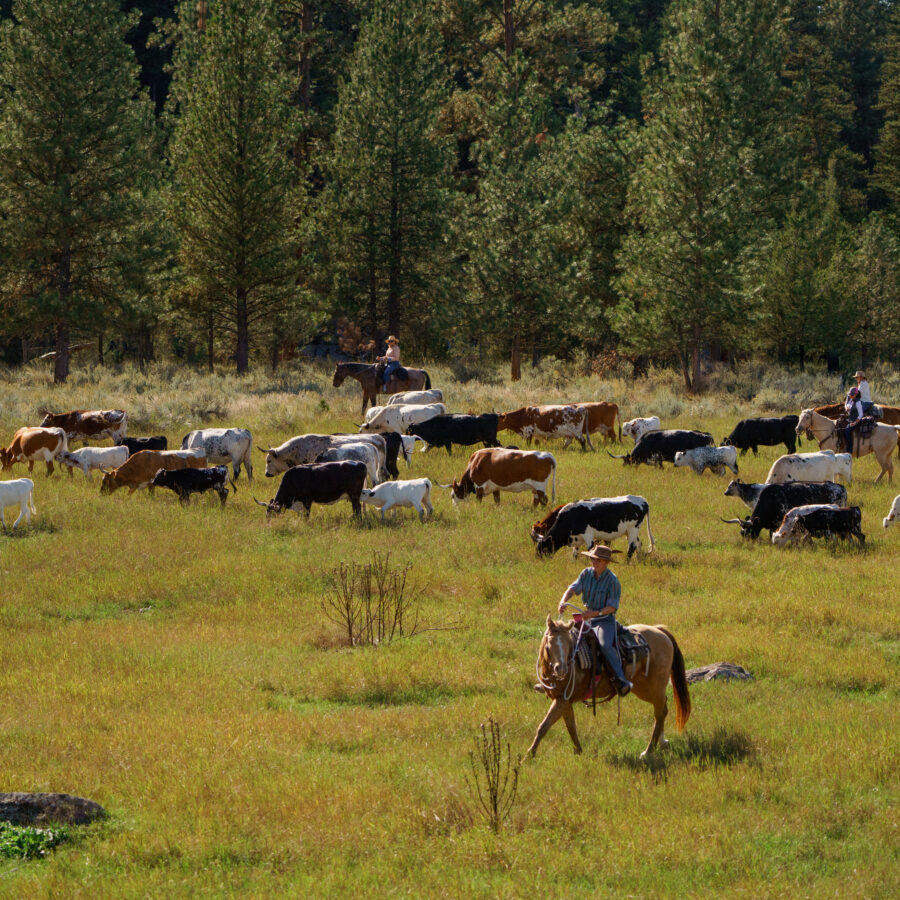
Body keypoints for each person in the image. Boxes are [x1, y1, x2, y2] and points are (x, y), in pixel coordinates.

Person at [558, 544, 632, 696]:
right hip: (586, 617)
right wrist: (563, 600)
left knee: (604, 644)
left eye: (598, 560)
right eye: (593, 559)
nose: (594, 562)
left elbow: (612, 607)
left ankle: (621, 679)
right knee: (564, 638)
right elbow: (572, 588)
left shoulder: (612, 581)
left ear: (606, 562)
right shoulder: (586, 574)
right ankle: (558, 678)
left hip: (604, 620)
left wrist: (594, 614)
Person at [844, 386, 865, 456]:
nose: (851, 396)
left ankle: (849, 450)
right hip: (850, 418)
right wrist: (847, 408)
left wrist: (855, 422)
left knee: (847, 430)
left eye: (852, 395)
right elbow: (846, 404)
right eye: (850, 394)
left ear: (856, 394)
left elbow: (861, 414)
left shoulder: (858, 402)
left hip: (856, 420)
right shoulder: (851, 399)